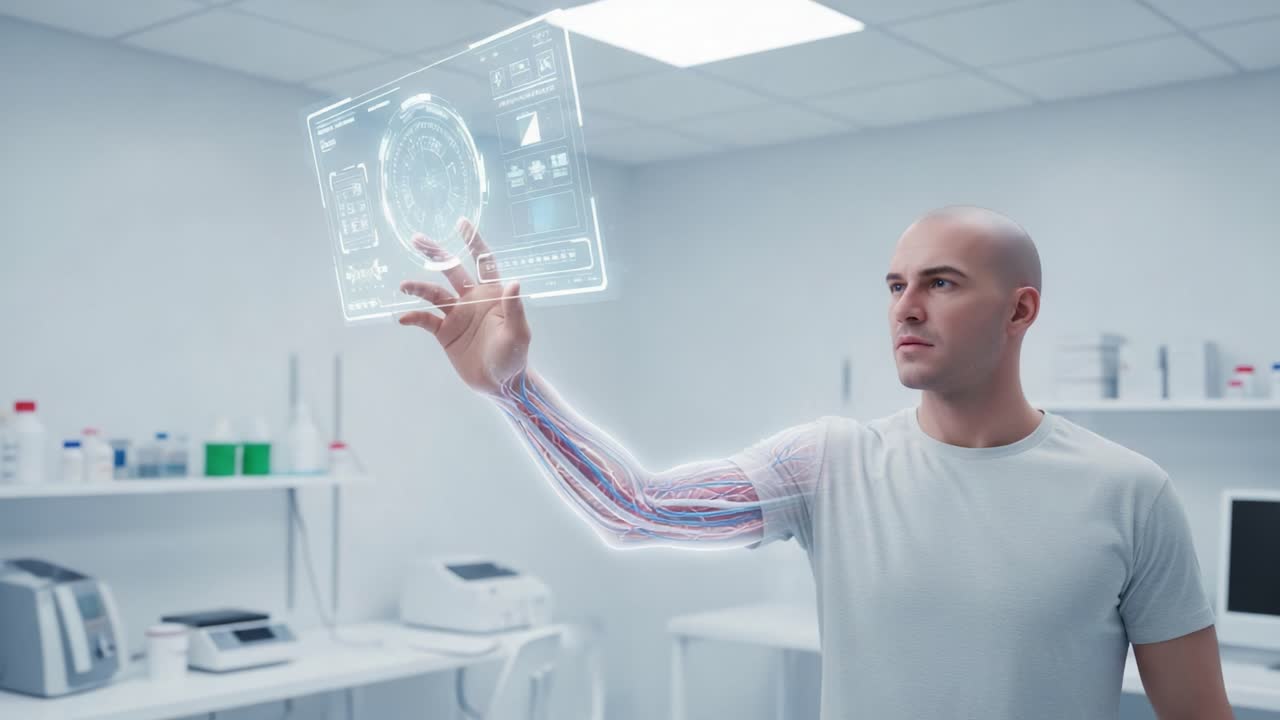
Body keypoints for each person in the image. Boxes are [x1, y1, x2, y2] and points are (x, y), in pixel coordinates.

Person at [396, 206, 1232, 719]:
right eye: (896, 285)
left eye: (941, 284)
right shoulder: (830, 462)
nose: (906, 308)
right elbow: (635, 510)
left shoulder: (1127, 492)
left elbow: (1197, 713)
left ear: (1021, 311)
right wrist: (516, 392)